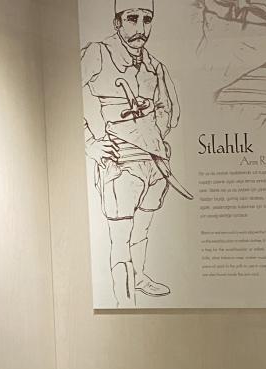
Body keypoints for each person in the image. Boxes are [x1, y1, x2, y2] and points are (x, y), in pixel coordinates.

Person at [81, 0, 182, 305]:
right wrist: (90, 143)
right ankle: (124, 303)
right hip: (120, 162)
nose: (140, 28)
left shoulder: (155, 66)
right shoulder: (98, 53)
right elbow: (70, 96)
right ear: (117, 22)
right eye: (132, 18)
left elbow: (170, 110)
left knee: (142, 230)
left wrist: (154, 134)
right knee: (120, 239)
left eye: (147, 19)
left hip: (154, 163)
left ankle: (139, 279)